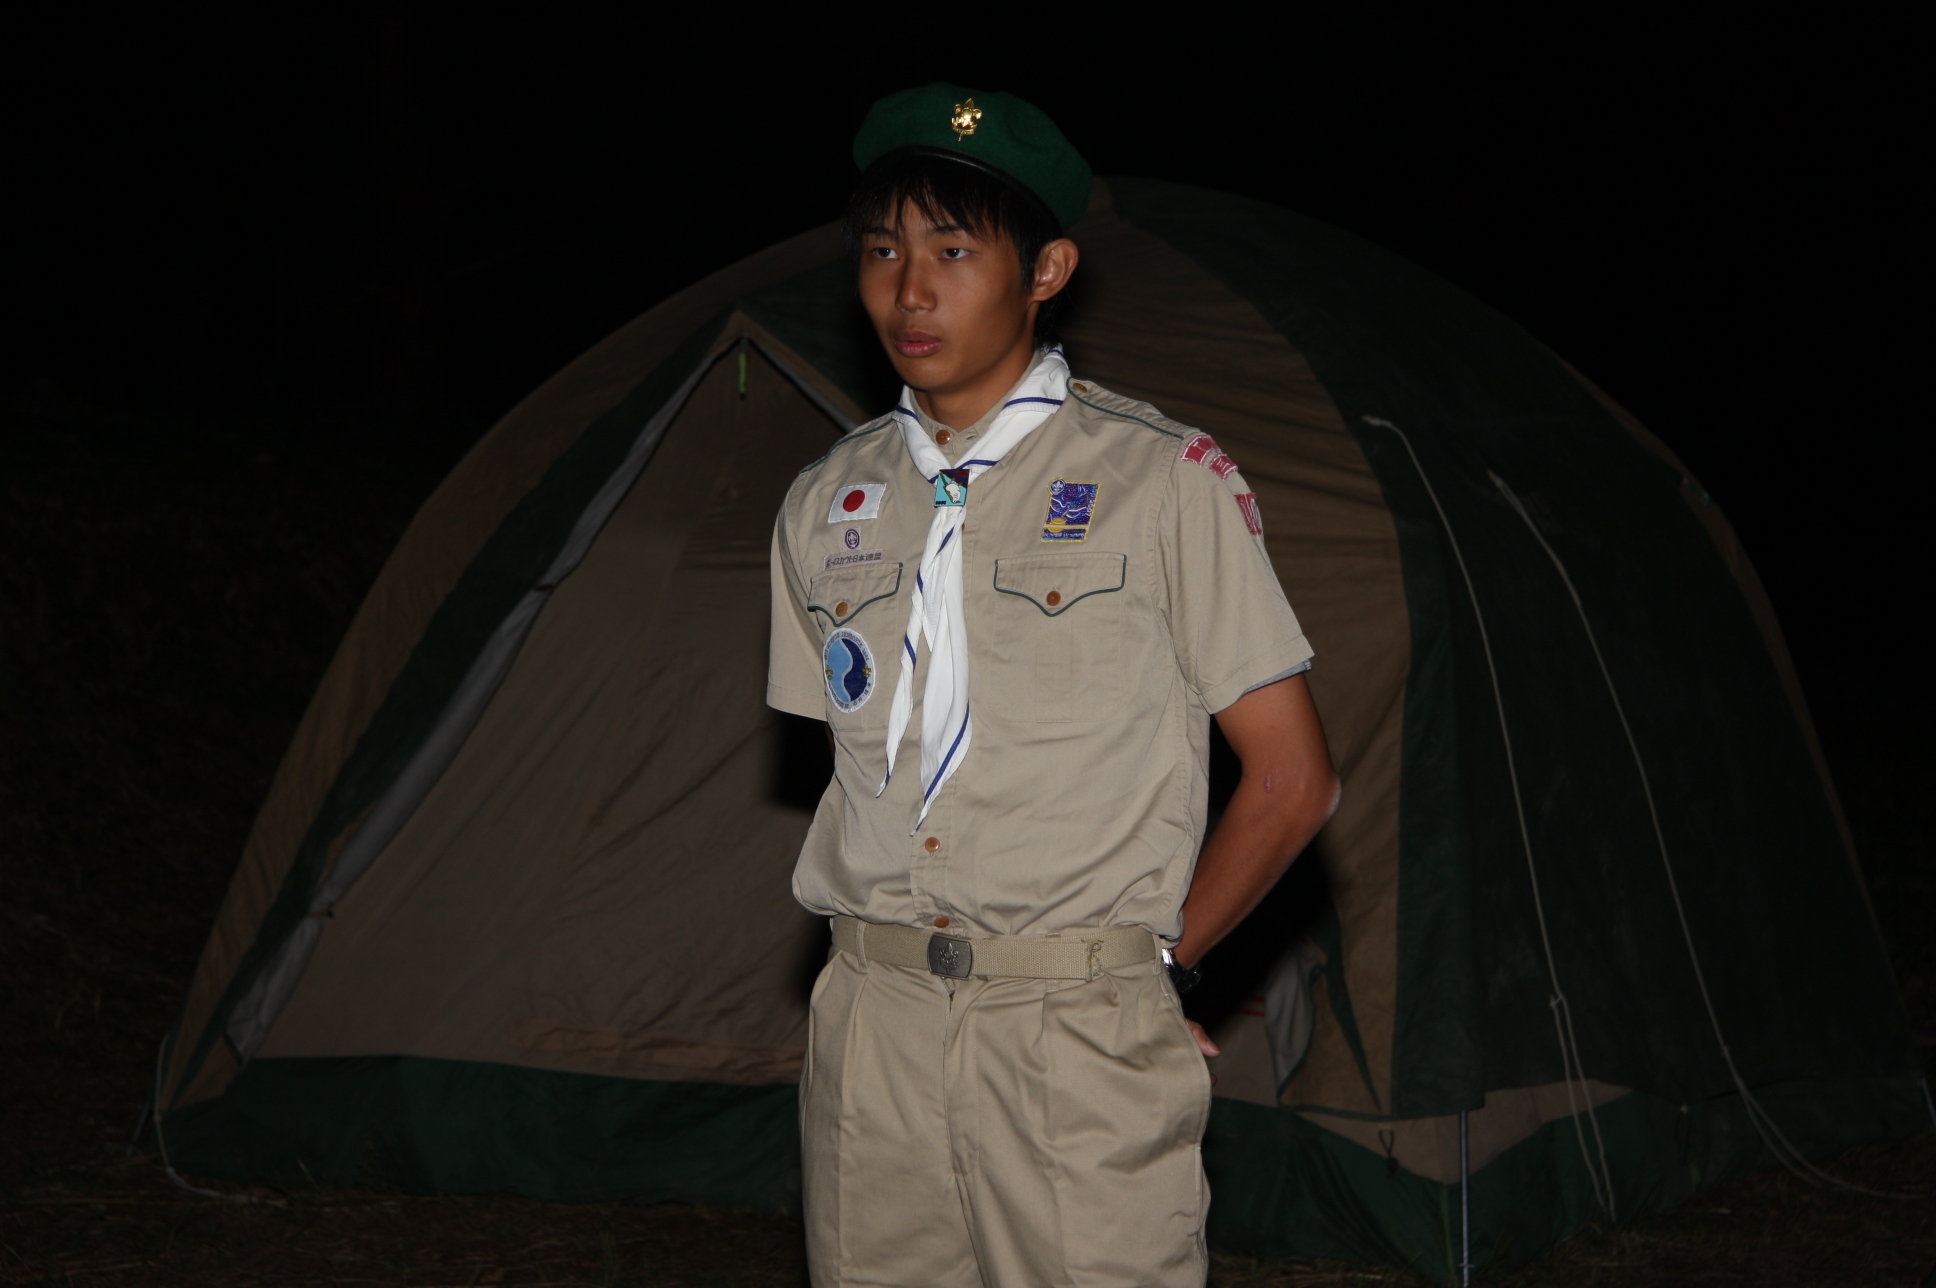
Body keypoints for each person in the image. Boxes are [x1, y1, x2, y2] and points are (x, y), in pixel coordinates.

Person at [766, 83, 1340, 1288]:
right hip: (871, 1026)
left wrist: (1156, 969)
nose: (909, 291)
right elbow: (852, 772)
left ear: (1046, 269)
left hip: (1074, 1034)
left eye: (953, 251)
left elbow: (1291, 780)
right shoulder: (824, 502)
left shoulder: (1161, 480)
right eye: (883, 251)